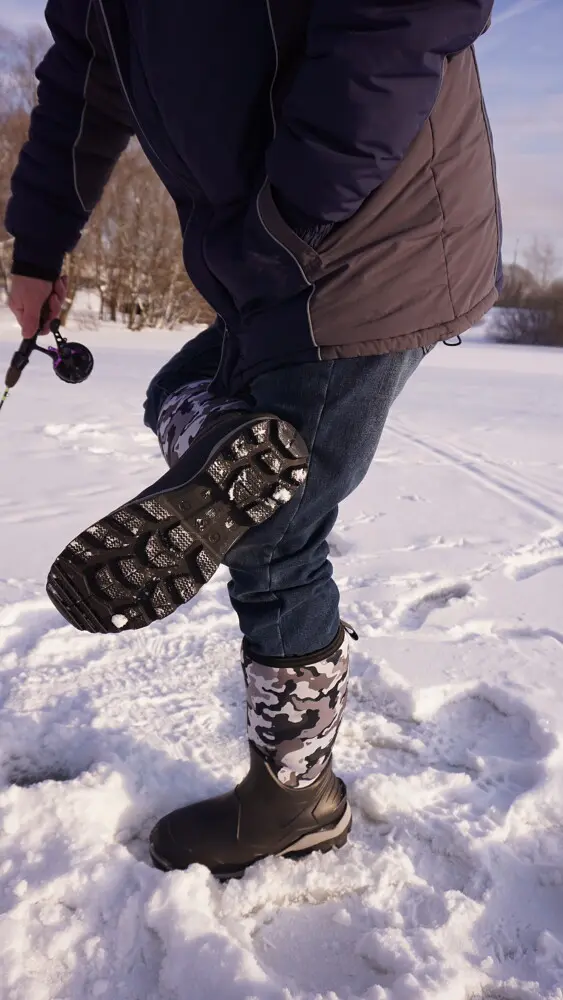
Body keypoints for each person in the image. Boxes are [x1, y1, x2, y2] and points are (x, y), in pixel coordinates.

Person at [6, 0, 500, 879]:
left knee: (276, 539)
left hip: (362, 240)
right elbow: (85, 77)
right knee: (179, 393)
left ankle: (297, 797)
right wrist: (37, 249)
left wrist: (293, 219)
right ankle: (232, 449)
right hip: (277, 256)